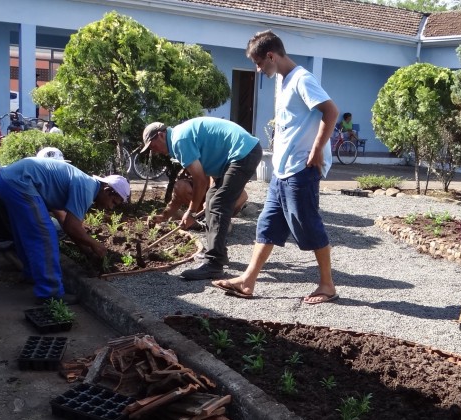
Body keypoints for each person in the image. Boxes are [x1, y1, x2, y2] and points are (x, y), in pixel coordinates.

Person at [212, 30, 339, 304]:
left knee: (308, 224)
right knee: (267, 224)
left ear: (271, 56)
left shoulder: (302, 79)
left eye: (259, 63)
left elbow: (331, 111)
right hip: (283, 170)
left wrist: (317, 150)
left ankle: (327, 285)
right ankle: (248, 281)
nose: (258, 70)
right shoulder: (282, 80)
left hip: (301, 169)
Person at [0, 157, 130, 303]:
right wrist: (95, 244)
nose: (110, 207)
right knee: (45, 236)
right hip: (20, 182)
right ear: (108, 190)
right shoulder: (86, 188)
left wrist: (88, 252)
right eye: (113, 202)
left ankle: (32, 275)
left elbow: (71, 226)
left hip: (7, 181)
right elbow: (71, 227)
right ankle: (50, 294)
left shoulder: (87, 186)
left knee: (27, 233)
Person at [142, 116, 263, 280]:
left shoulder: (179, 140)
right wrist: (209, 195)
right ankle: (217, 253)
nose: (153, 150)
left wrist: (191, 212)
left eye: (152, 145)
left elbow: (200, 179)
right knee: (213, 199)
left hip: (243, 153)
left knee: (218, 204)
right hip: (239, 154)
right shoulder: (179, 136)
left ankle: (214, 264)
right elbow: (210, 164)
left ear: (161, 135)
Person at [0, 147, 70, 248]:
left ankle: (4, 236)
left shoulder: (27, 169)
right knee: (57, 227)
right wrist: (74, 226)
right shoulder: (32, 177)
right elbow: (59, 215)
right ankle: (5, 238)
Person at [152, 168, 248, 225]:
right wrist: (163, 216)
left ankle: (218, 219)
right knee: (181, 186)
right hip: (201, 204)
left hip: (220, 195)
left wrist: (211, 199)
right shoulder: (190, 170)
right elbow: (175, 200)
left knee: (241, 196)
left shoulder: (212, 160)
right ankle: (199, 218)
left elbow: (215, 181)